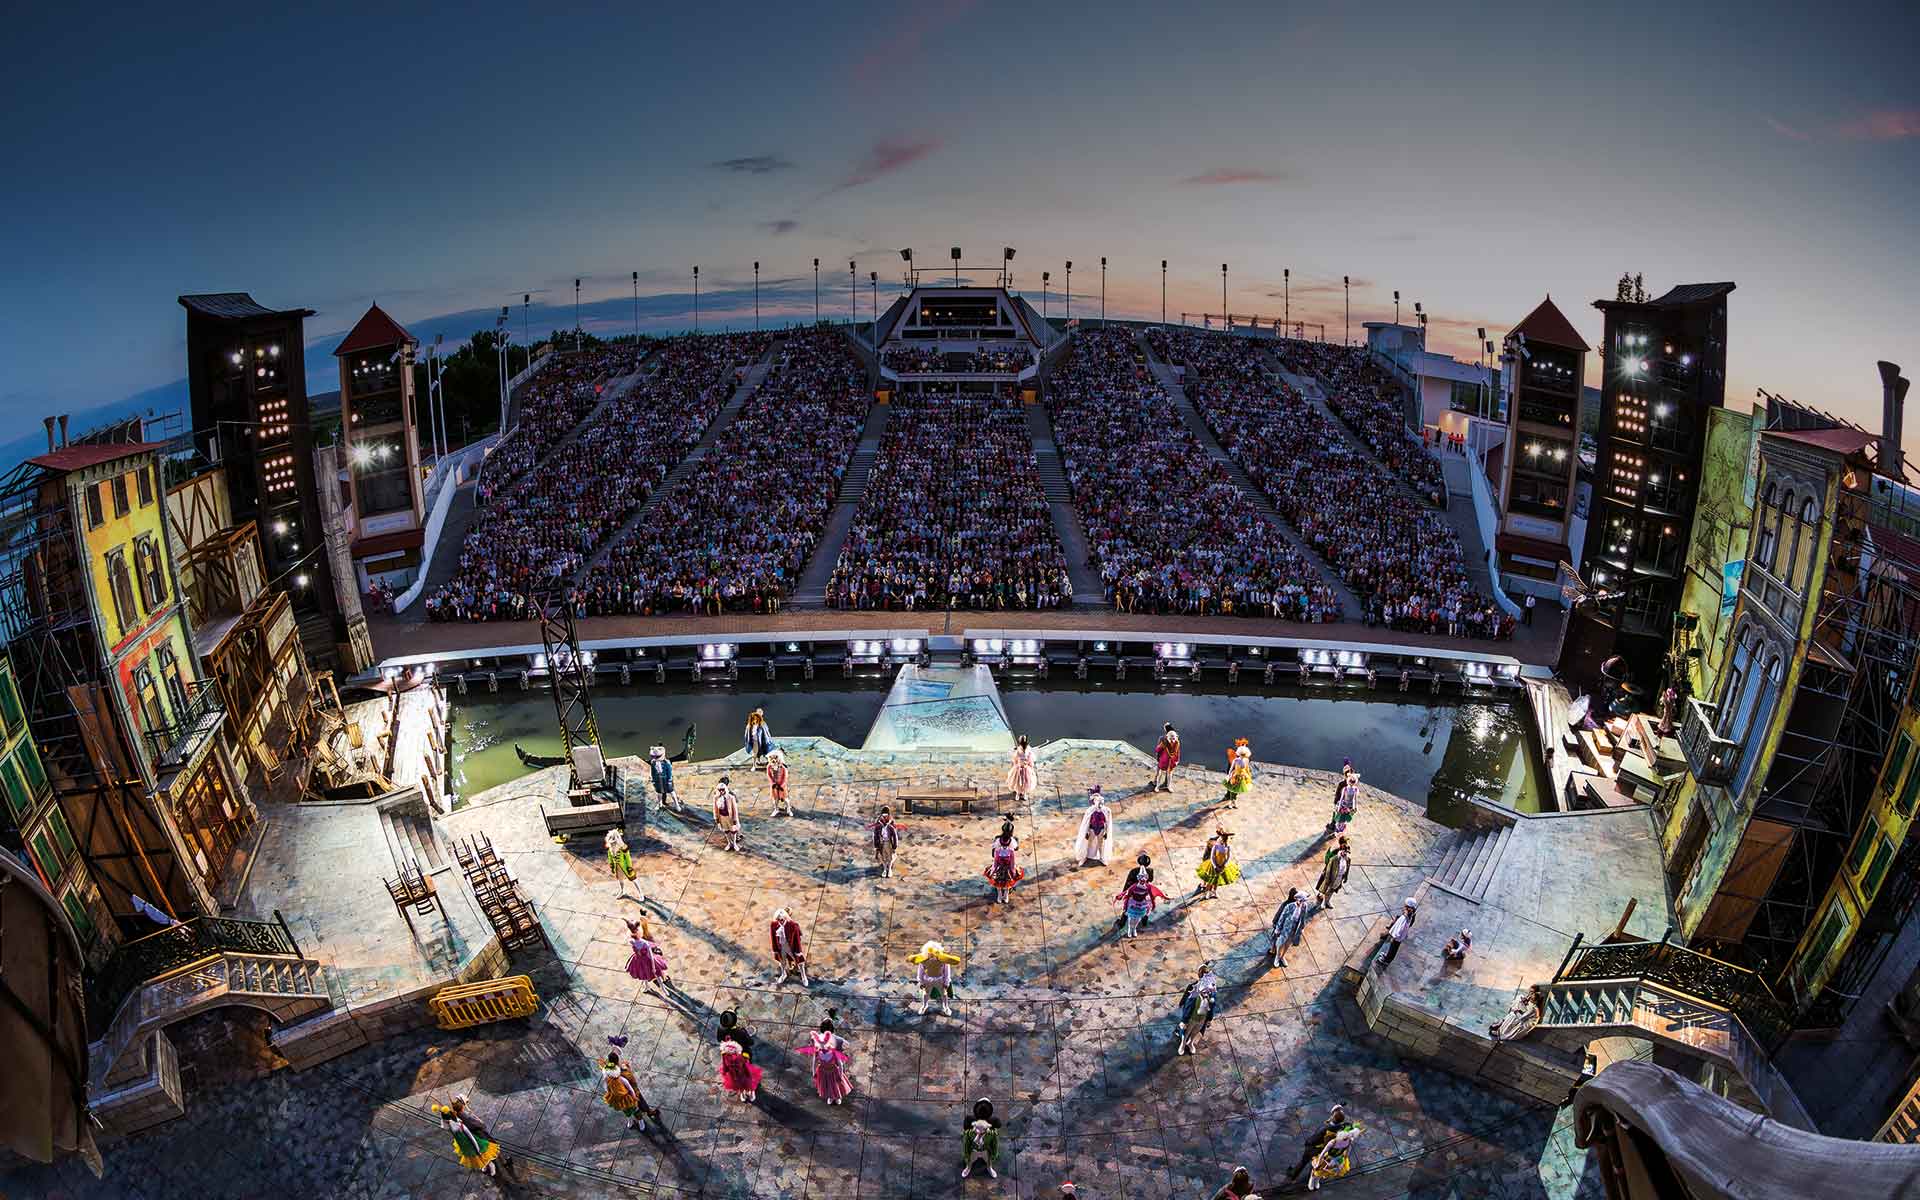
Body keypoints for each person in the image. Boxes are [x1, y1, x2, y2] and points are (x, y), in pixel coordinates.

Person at [432, 1095, 510, 1180]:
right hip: (479, 1136)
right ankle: (502, 1162)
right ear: (462, 1107)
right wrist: (478, 1148)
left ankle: (486, 1167)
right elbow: (475, 1131)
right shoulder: (461, 1122)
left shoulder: (454, 1121)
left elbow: (444, 1124)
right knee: (491, 1148)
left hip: (467, 1143)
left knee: (479, 1156)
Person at [1286, 1104, 1357, 1185]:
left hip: (1314, 1148)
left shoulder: (1325, 1129)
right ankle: (1312, 1175)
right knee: (1316, 1163)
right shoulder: (1345, 1126)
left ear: (1333, 1118)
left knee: (1304, 1161)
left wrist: (1307, 1142)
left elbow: (1314, 1140)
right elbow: (1350, 1126)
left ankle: (1293, 1176)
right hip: (1326, 1149)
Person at [797, 1011, 854, 1104]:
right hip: (826, 1065)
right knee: (830, 1082)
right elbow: (847, 1044)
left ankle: (834, 1097)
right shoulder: (837, 1039)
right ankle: (832, 1097)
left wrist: (814, 1071)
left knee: (833, 1082)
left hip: (833, 1064)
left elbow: (815, 1058)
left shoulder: (817, 1039)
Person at [602, 1050, 660, 1132]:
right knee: (634, 1108)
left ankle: (643, 1117)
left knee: (633, 1109)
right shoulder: (619, 1074)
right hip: (627, 1095)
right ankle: (645, 1114)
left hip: (625, 1096)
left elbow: (607, 1085)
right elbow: (630, 1083)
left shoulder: (610, 1072)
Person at [1176, 963, 1219, 1056]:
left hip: (1202, 1018)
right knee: (1186, 1032)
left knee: (1196, 1031)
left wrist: (1209, 1019)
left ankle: (1190, 1043)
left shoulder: (1212, 990)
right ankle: (1183, 1044)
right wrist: (1184, 1020)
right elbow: (1187, 1001)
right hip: (1192, 1017)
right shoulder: (1194, 988)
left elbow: (1212, 1005)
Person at [910, 940, 962, 1016]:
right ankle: (924, 1005)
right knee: (925, 994)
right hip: (927, 980)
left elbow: (947, 972)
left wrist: (946, 982)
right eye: (930, 953)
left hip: (940, 979)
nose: (932, 955)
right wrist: (921, 982)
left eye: (933, 953)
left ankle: (946, 1007)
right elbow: (920, 972)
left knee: (944, 994)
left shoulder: (943, 961)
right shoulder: (923, 961)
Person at [1114, 869, 1168, 939]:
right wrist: (1125, 906)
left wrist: (1152, 904)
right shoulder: (1134, 886)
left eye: (1144, 878)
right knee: (1131, 919)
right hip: (1133, 904)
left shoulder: (1148, 887)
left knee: (1137, 919)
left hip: (1142, 905)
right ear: (1138, 878)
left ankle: (1134, 929)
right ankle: (1130, 930)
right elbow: (1127, 894)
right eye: (1141, 878)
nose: (1143, 880)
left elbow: (1151, 896)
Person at [1308, 1122, 1363, 1190]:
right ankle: (1312, 1179)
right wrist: (1319, 1162)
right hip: (1328, 1157)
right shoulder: (1333, 1142)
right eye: (1348, 1135)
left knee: (1324, 1172)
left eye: (1351, 1135)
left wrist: (1345, 1159)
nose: (1349, 1137)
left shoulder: (1349, 1141)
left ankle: (1317, 1180)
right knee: (1318, 1169)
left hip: (1338, 1158)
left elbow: (1348, 1150)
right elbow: (1323, 1152)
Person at [960, 1097, 1002, 1180]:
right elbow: (966, 1143)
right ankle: (968, 1168)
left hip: (985, 1150)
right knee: (970, 1161)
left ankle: (989, 1168)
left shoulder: (991, 1134)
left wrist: (994, 1154)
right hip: (974, 1150)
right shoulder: (969, 1134)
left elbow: (995, 1143)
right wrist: (966, 1154)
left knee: (989, 1161)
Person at [1112, 853, 1156, 931]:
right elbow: (1151, 880)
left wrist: (1123, 893)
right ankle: (1144, 922)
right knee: (1145, 907)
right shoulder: (1150, 871)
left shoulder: (1134, 871)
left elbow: (1128, 883)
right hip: (1144, 893)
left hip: (1134, 893)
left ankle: (1121, 923)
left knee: (1127, 908)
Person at [625, 918, 670, 993]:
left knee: (657, 975)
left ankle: (663, 988)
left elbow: (651, 956)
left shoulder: (644, 943)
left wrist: (653, 966)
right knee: (643, 975)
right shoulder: (632, 941)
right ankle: (647, 987)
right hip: (638, 961)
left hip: (647, 960)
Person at [984, 820, 1024, 904]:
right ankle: (1002, 895)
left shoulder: (999, 840)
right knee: (1003, 883)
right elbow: (995, 858)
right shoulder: (1011, 842)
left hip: (1006, 865)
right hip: (1000, 865)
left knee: (1003, 882)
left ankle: (1004, 895)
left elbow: (1012, 859)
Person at [1071, 786, 1112, 865]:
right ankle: (1084, 857)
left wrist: (1106, 832)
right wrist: (1086, 832)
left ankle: (1102, 858)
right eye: (1096, 800)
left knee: (1101, 844)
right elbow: (1086, 823)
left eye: (1100, 801)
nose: (1099, 803)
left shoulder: (1106, 811)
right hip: (1092, 829)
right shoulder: (1090, 810)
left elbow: (1107, 822)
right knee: (1088, 844)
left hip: (1101, 829)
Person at [1194, 829, 1240, 899]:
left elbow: (1228, 857)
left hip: (1222, 865)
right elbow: (1212, 857)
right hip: (1213, 865)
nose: (1222, 841)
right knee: (1211, 880)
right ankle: (1207, 892)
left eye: (1224, 840)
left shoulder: (1227, 847)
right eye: (1222, 839)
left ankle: (1214, 892)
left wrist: (1224, 865)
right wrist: (1215, 866)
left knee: (1217, 880)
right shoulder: (1216, 846)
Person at [770, 907, 810, 987]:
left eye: (781, 920)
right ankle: (783, 974)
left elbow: (797, 939)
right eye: (778, 919)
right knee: (782, 962)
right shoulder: (774, 924)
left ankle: (803, 976)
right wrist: (775, 949)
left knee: (800, 962)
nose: (780, 922)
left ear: (785, 918)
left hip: (792, 947)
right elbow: (773, 938)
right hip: (781, 947)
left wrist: (798, 951)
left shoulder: (793, 925)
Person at [1269, 887, 1307, 968]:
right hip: (1285, 929)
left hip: (1294, 929)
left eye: (1303, 901)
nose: (1302, 903)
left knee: (1288, 944)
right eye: (1301, 900)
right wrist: (1278, 929)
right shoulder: (1289, 906)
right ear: (1297, 899)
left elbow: (1303, 917)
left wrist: (1302, 927)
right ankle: (1277, 957)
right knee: (1280, 943)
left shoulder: (1304, 906)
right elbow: (1281, 918)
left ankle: (1282, 957)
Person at [717, 1036, 763, 1103]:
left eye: (732, 1052)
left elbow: (745, 1065)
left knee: (748, 1083)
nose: (730, 1054)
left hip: (743, 1073)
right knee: (738, 1084)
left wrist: (748, 1073)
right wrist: (724, 1070)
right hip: (733, 1075)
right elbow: (724, 1063)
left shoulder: (740, 1057)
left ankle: (751, 1091)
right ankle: (742, 1091)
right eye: (728, 1052)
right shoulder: (725, 1056)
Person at [1375, 898, 1417, 967]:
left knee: (1393, 948)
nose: (1403, 907)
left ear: (1408, 908)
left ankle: (1386, 960)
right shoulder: (1411, 915)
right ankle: (1387, 957)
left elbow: (1401, 928)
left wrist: (1395, 936)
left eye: (1405, 906)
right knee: (1393, 947)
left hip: (1398, 937)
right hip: (1399, 936)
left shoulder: (1405, 918)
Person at [1315, 836, 1351, 908]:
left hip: (1339, 877)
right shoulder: (1335, 855)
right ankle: (1321, 902)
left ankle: (1327, 901)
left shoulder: (1348, 859)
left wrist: (1346, 877)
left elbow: (1347, 867)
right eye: (1345, 843)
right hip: (1330, 875)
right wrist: (1327, 874)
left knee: (1332, 889)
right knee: (1324, 888)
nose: (1346, 853)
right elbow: (1328, 863)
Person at [605, 828, 640, 901]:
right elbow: (610, 857)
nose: (613, 844)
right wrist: (611, 865)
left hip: (625, 867)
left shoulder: (623, 848)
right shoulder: (610, 848)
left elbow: (628, 858)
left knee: (633, 879)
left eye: (614, 842)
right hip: (617, 868)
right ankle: (622, 891)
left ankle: (640, 893)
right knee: (620, 880)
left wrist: (629, 867)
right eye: (612, 843)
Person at [711, 776, 743, 852]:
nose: (721, 791)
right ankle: (730, 843)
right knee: (726, 830)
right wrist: (716, 818)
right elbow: (715, 808)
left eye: (723, 789)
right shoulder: (716, 797)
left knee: (734, 830)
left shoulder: (730, 796)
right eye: (720, 790)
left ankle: (735, 842)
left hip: (730, 816)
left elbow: (735, 808)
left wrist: (735, 818)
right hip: (722, 817)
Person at [648, 745, 682, 814]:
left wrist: (669, 781)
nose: (654, 758)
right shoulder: (653, 763)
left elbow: (669, 772)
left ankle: (677, 805)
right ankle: (660, 803)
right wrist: (653, 780)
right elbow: (653, 772)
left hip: (666, 780)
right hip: (658, 780)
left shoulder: (667, 762)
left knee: (672, 792)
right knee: (659, 793)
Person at [1007, 734, 1039, 804]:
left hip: (1025, 768)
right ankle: (1018, 793)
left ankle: (1024, 793)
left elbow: (1030, 759)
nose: (1023, 743)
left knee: (1026, 781)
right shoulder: (1018, 750)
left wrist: (1030, 765)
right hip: (1018, 767)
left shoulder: (1028, 750)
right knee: (1018, 781)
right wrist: (1016, 764)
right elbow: (1015, 759)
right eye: (1022, 741)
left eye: (1024, 741)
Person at [870, 807, 901, 878]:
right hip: (881, 843)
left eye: (886, 815)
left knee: (890, 857)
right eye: (883, 815)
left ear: (888, 815)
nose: (884, 817)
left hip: (889, 842)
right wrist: (876, 844)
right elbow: (875, 834)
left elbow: (894, 835)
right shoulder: (878, 824)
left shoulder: (891, 823)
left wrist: (895, 845)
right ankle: (884, 869)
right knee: (882, 856)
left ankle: (889, 869)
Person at [1222, 740, 1253, 809]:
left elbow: (1247, 768)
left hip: (1241, 776)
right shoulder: (1235, 759)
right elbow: (1231, 768)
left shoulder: (1246, 760)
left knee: (1236, 790)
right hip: (1234, 775)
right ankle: (1230, 801)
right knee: (1232, 789)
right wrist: (1229, 775)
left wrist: (1248, 775)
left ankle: (1233, 802)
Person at [1328, 771, 1359, 837]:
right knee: (1339, 820)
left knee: (1344, 821)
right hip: (1343, 805)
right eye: (1351, 780)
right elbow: (1341, 798)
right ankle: (1337, 832)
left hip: (1349, 807)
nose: (1351, 782)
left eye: (1353, 781)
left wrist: (1354, 807)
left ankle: (1340, 834)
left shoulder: (1355, 789)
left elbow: (1355, 799)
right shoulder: (1345, 788)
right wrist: (1338, 807)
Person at [1151, 724, 1181, 792]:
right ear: (1168, 737)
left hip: (1171, 761)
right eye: (1171, 738)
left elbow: (1178, 752)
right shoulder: (1164, 741)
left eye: (1174, 738)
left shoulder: (1177, 742)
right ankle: (1157, 786)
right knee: (1160, 774)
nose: (1173, 740)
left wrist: (1177, 761)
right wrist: (1159, 757)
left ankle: (1168, 786)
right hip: (1163, 760)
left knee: (1169, 774)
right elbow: (1157, 750)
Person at [764, 748, 793, 817]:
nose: (773, 760)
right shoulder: (769, 767)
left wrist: (782, 784)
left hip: (782, 786)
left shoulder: (782, 767)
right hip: (774, 786)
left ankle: (788, 809)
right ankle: (776, 809)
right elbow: (769, 775)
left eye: (775, 758)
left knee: (785, 799)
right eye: (772, 758)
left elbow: (785, 777)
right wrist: (773, 783)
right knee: (775, 799)